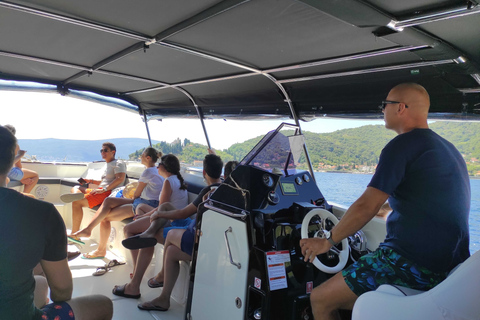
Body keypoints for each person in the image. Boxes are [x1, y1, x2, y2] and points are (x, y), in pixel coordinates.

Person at [300, 83, 471, 320]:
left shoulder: (401, 145)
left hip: (410, 261)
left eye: (385, 105)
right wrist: (384, 209)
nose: (382, 110)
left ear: (400, 108)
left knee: (320, 299)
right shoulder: (448, 148)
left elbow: (365, 205)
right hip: (449, 268)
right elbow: (420, 198)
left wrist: (328, 241)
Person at [0, 125, 113, 320]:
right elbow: (62, 293)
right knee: (103, 304)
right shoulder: (42, 213)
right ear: (12, 162)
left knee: (40, 283)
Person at [112, 154, 223, 305]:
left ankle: (142, 283)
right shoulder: (222, 189)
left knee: (156, 235)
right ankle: (163, 297)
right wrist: (160, 212)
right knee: (163, 211)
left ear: (204, 172)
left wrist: (159, 214)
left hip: (193, 232)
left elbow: (183, 213)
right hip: (194, 227)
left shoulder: (208, 191)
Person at [72, 147, 163, 259]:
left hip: (145, 204)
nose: (140, 157)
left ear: (148, 158)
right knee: (108, 201)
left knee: (105, 217)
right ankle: (88, 230)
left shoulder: (148, 171)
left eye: (142, 155)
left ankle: (99, 247)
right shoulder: (158, 170)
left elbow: (136, 194)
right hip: (147, 202)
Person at [61, 142, 126, 241]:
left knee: (76, 203)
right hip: (100, 189)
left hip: (107, 193)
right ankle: (77, 195)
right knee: (76, 187)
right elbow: (105, 181)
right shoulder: (108, 165)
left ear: (113, 152)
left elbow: (119, 179)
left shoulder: (119, 163)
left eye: (105, 150)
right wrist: (90, 181)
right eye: (101, 150)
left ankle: (75, 235)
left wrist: (103, 189)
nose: (102, 152)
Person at [4, 124, 39, 194]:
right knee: (35, 175)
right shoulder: (15, 146)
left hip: (3, 173)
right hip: (10, 173)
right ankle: (25, 195)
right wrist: (20, 155)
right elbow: (18, 166)